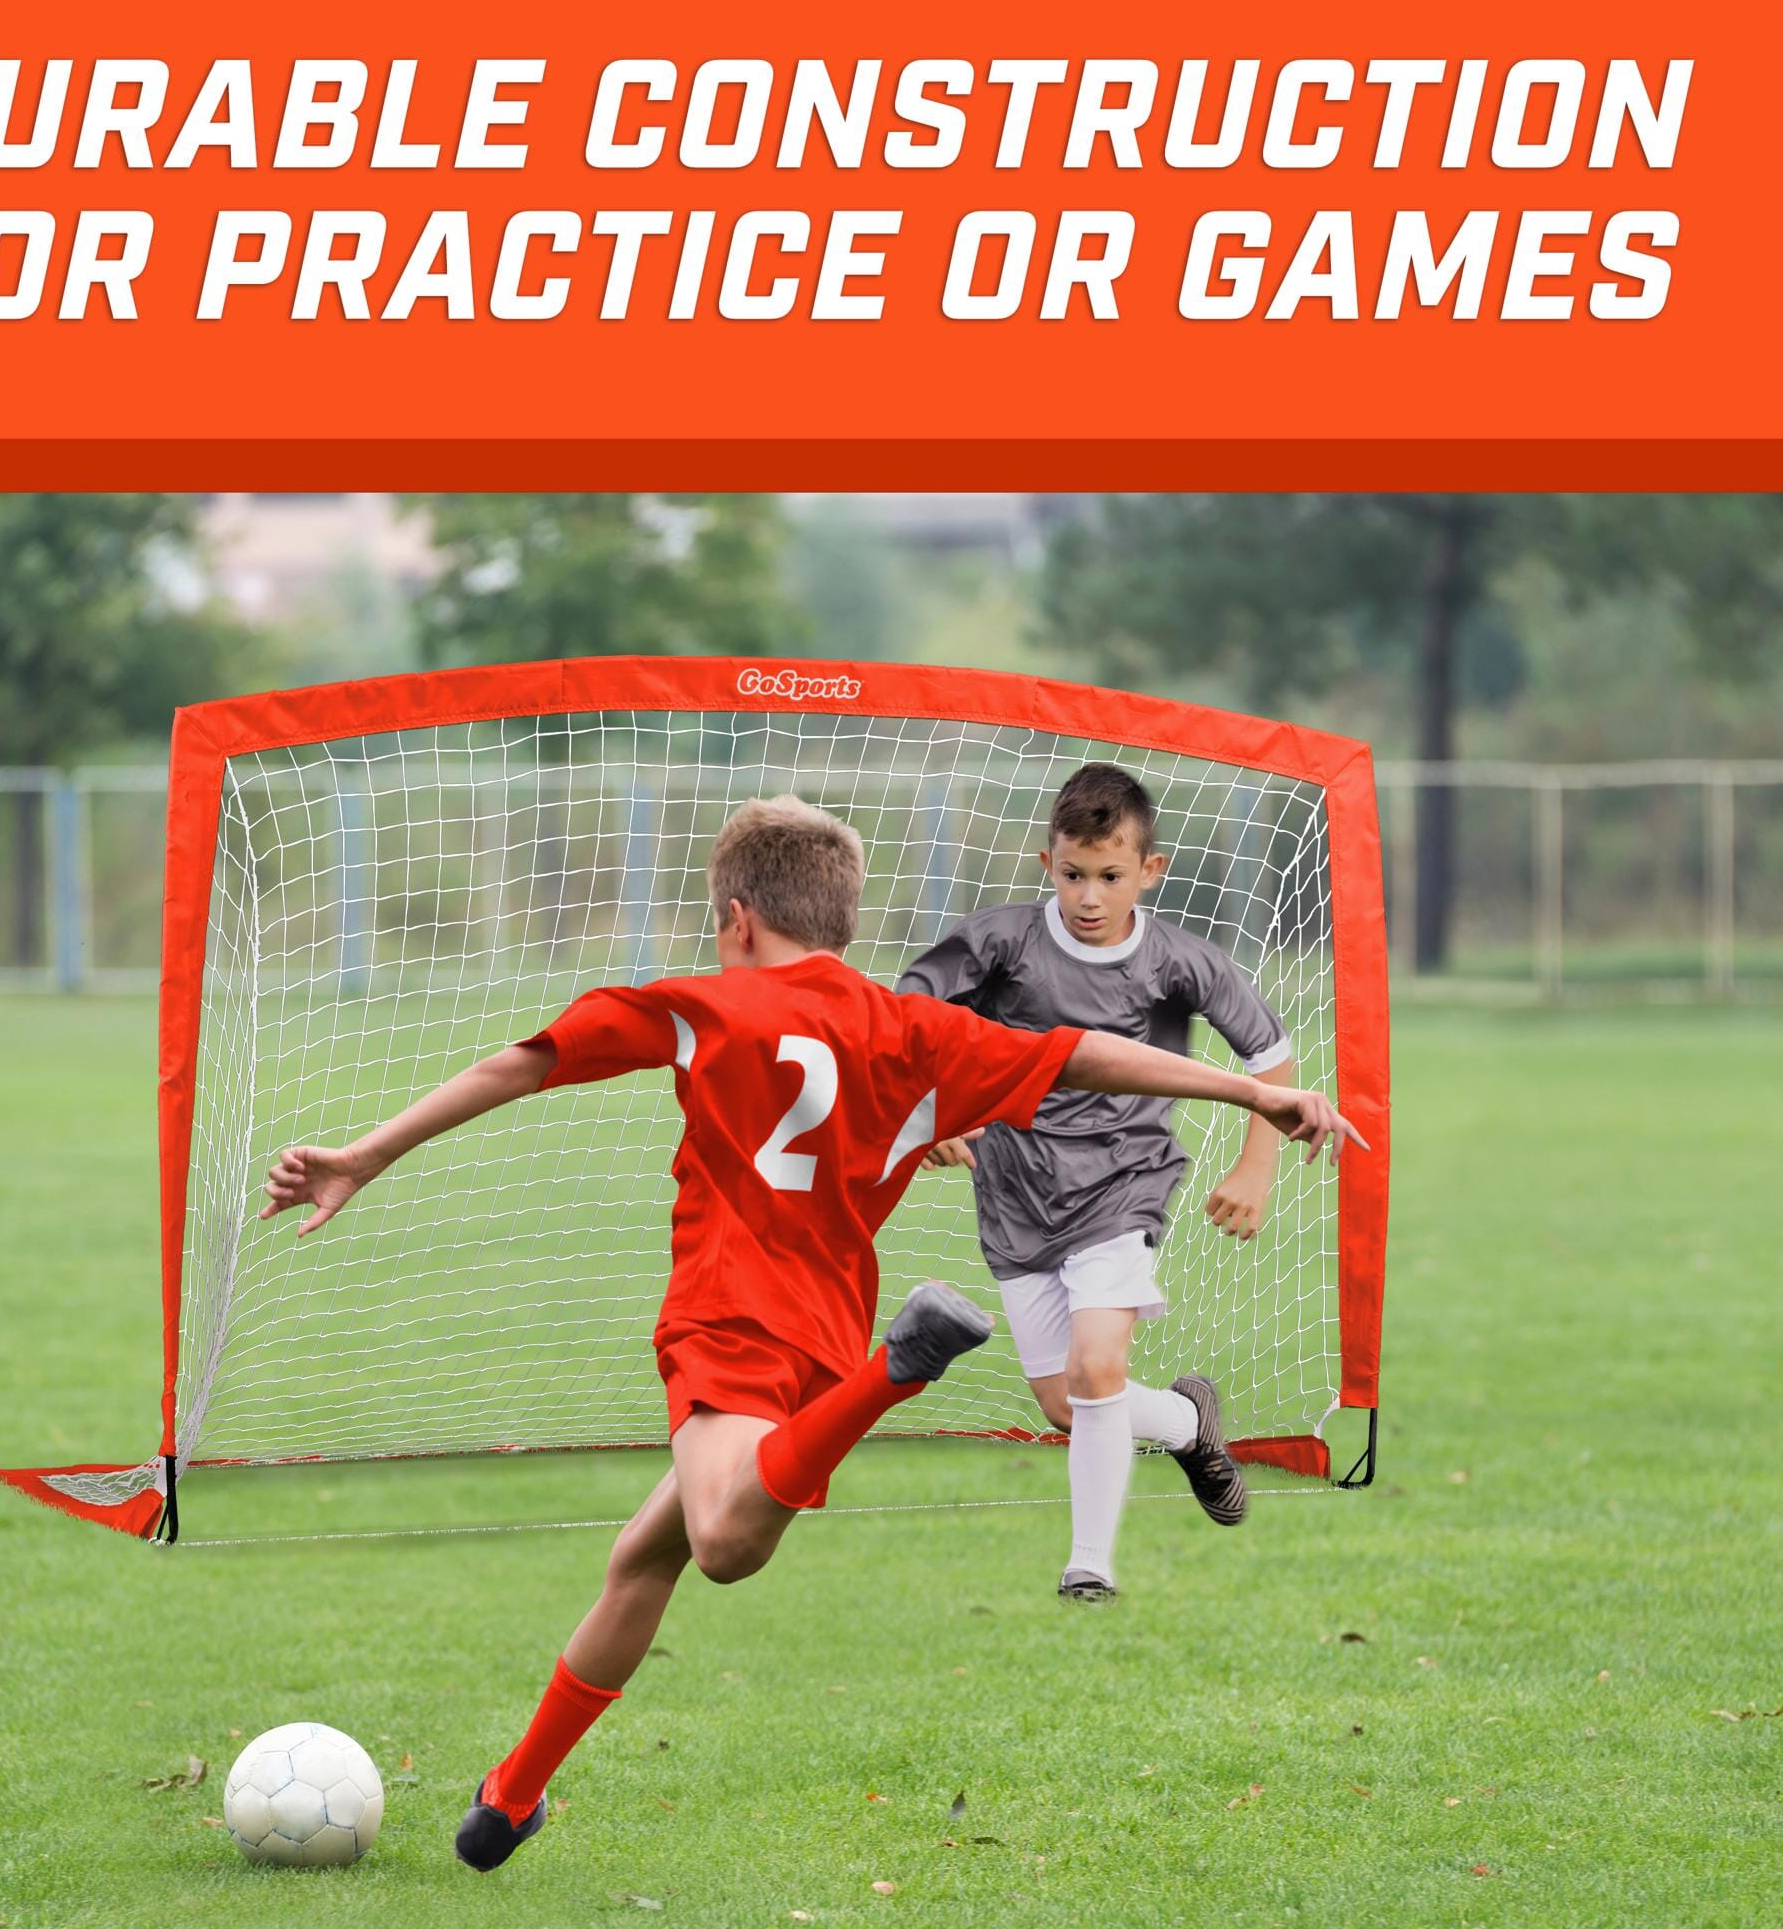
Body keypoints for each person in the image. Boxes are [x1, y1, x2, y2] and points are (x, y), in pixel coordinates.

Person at [259, 794, 1361, 1870]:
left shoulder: (699, 1003)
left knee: (723, 1544)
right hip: (815, 1335)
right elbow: (1081, 1051)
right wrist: (1245, 1093)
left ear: (736, 915)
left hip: (729, 1315)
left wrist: (368, 1151)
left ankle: (902, 1366)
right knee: (640, 1557)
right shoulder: (907, 1025)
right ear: (841, 917)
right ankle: (511, 1793)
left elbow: (524, 1062)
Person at [900, 761, 1304, 1600]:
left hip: (1124, 1185)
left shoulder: (1181, 962)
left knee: (1095, 1369)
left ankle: (1090, 1568)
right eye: (1074, 875)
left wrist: (1256, 1164)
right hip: (1014, 1194)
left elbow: (1271, 1061)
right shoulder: (1000, 942)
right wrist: (933, 1110)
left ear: (1148, 872)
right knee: (1069, 1402)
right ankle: (1191, 1424)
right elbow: (906, 1015)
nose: (1089, 897)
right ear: (1047, 863)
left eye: (1110, 877)